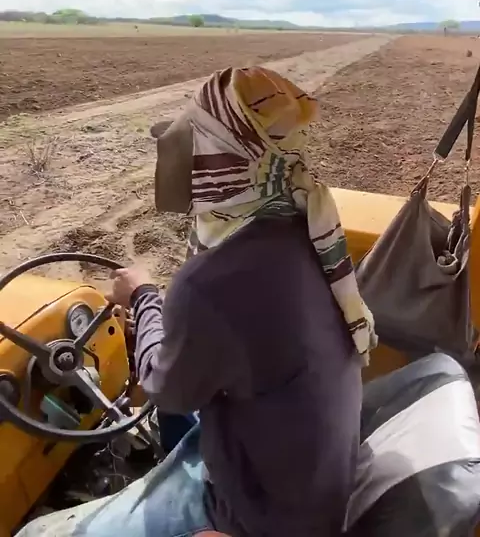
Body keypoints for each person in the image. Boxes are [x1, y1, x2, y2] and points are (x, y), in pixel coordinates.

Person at [106, 66, 377, 537]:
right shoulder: (310, 229)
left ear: (216, 157)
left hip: (263, 518)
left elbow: (164, 389)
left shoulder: (209, 284)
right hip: (316, 480)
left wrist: (144, 299)